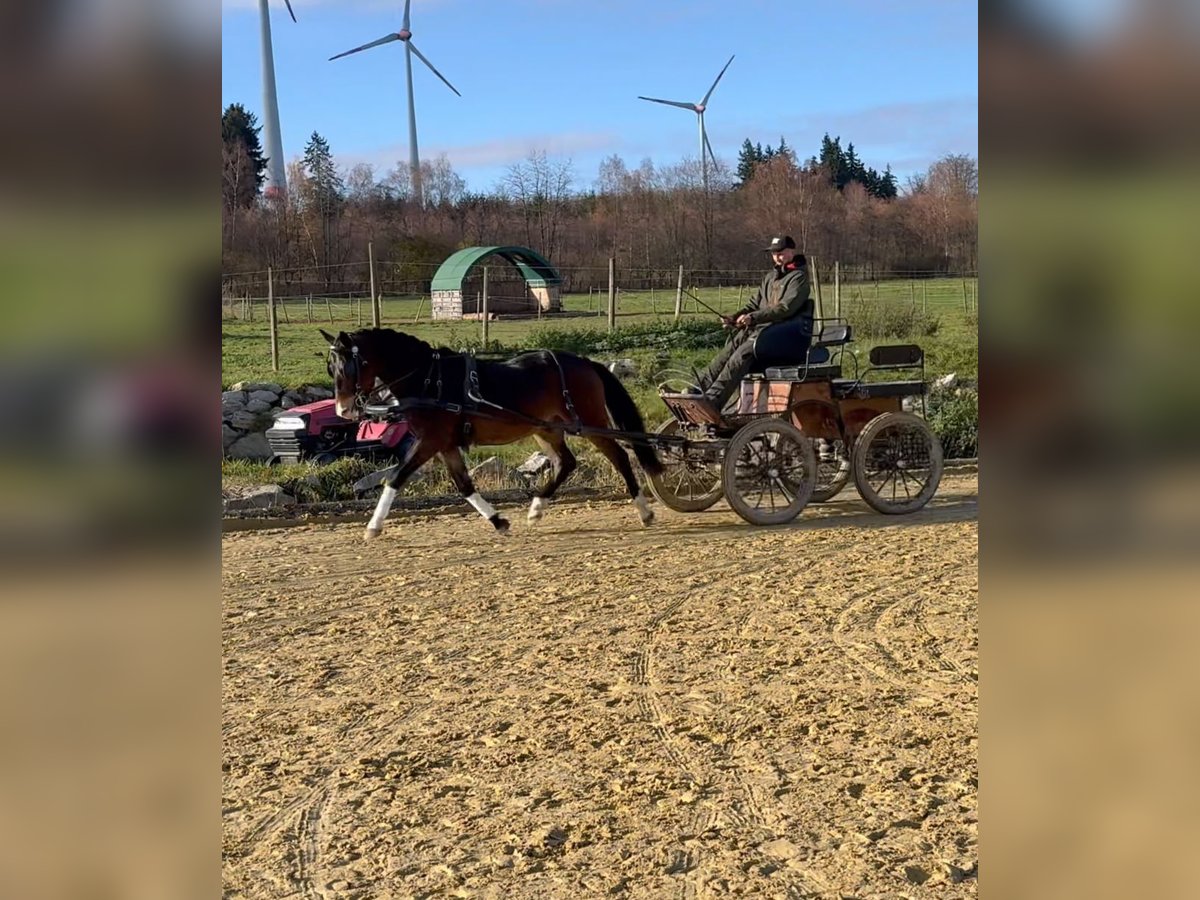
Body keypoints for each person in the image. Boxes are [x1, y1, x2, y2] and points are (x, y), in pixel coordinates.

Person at [693, 235, 815, 409]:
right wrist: (735, 317)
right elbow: (753, 305)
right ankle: (696, 391)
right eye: (774, 253)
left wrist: (754, 318)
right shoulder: (770, 277)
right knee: (727, 352)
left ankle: (713, 401)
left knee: (741, 356)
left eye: (780, 253)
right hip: (762, 332)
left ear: (791, 252)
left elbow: (785, 308)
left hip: (783, 336)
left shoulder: (798, 278)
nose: (777, 257)